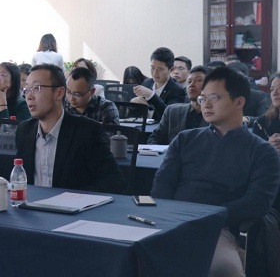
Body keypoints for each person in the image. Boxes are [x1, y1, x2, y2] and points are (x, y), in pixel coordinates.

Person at [151, 66, 280, 277]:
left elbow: (258, 202)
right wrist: (174, 216)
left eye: (215, 97)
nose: (206, 104)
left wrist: (208, 217)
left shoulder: (262, 151)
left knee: (223, 268)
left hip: (221, 229)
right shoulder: (185, 140)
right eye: (203, 98)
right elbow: (161, 186)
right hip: (173, 222)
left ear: (239, 102)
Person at [15, 64, 125, 193]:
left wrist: (77, 198)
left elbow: (113, 181)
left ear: (59, 93)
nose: (29, 96)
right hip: (31, 204)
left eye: (36, 88)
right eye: (27, 89)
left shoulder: (87, 131)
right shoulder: (24, 131)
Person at [147, 66, 209, 145]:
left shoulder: (216, 115)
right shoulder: (173, 111)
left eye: (199, 80)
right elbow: (154, 139)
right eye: (189, 81)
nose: (192, 84)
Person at [132, 47, 186, 121]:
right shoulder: (147, 83)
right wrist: (135, 104)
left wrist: (151, 95)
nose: (155, 72)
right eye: (152, 68)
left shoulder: (177, 90)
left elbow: (170, 115)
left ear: (171, 69)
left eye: (160, 69)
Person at [226, 61, 270, 126]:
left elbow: (265, 119)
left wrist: (247, 119)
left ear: (247, 79)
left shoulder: (259, 96)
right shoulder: (220, 96)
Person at [253, 72, 280, 154]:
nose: (274, 93)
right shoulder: (262, 123)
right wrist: (267, 147)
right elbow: (252, 155)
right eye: (272, 89)